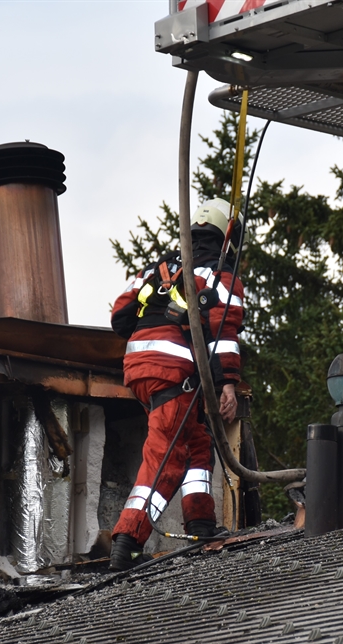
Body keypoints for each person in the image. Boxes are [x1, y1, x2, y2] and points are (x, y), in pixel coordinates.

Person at [109, 198, 245, 570]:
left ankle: (201, 525)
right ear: (229, 234)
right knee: (166, 455)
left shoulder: (160, 268)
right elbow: (224, 329)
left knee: (198, 446)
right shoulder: (220, 273)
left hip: (139, 370)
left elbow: (120, 318)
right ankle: (128, 540)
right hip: (174, 373)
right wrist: (227, 384)